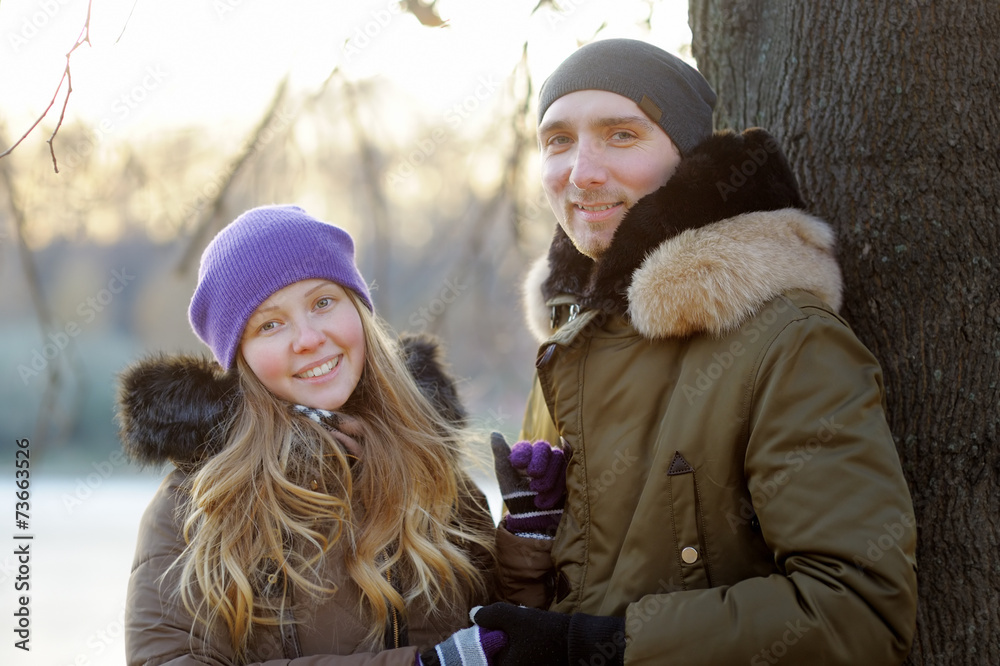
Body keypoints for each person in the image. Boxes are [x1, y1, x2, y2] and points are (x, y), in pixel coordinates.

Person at [475, 38, 919, 665]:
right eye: (558, 140)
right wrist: (527, 549)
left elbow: (859, 611)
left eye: (621, 135)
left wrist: (607, 647)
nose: (582, 172)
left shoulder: (789, 342)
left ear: (688, 159)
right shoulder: (567, 351)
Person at [117, 205, 509, 665]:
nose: (308, 338)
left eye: (323, 302)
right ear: (240, 357)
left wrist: (529, 541)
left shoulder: (429, 466)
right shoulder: (199, 505)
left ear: (358, 311)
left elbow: (502, 636)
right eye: (270, 324)